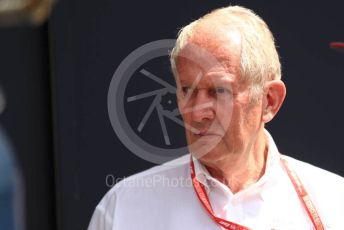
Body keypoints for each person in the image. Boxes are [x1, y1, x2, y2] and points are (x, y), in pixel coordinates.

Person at [88, 5, 344, 230]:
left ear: (269, 101)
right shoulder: (124, 209)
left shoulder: (333, 203)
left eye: (218, 91)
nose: (197, 112)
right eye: (187, 90)